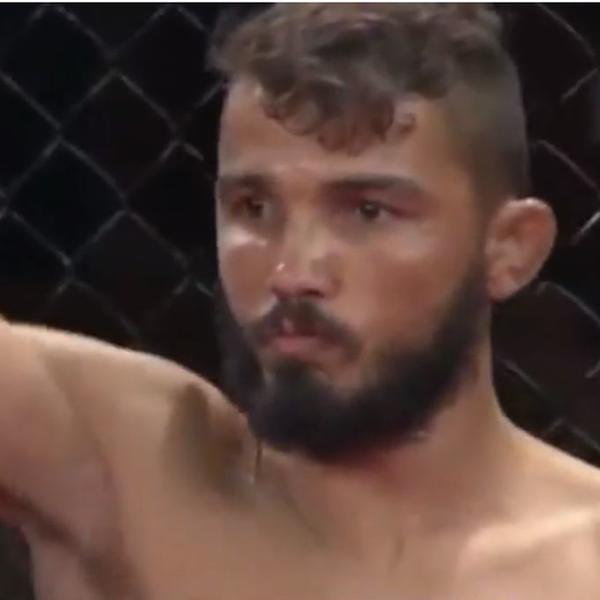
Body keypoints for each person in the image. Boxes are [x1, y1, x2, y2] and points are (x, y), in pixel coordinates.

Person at [1, 4, 599, 599]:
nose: (291, 273)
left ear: (509, 249)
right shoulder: (126, 468)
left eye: (368, 211)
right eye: (254, 208)